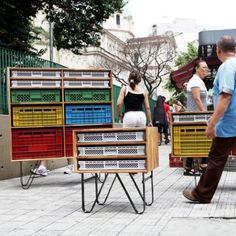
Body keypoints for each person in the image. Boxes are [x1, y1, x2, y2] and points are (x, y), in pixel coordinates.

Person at [183, 35, 236, 203]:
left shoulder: (227, 67)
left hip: (229, 123)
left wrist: (212, 123)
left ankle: (202, 194)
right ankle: (201, 193)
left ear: (218, 50)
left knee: (216, 159)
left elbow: (225, 97)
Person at [183, 59, 209, 176]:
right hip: (196, 117)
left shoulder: (198, 81)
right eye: (203, 67)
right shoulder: (195, 81)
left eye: (206, 68)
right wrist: (205, 114)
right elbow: (197, 98)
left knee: (199, 140)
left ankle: (192, 166)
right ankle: (196, 166)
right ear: (196, 69)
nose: (206, 70)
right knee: (198, 140)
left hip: (198, 116)